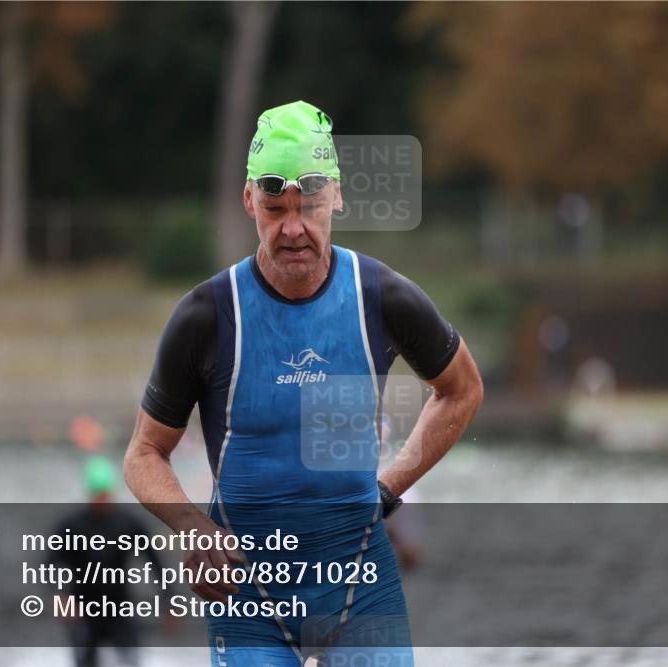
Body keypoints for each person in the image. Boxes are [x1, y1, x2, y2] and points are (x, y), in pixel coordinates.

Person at [124, 100, 484, 666]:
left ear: (336, 196)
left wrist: (389, 487)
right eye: (275, 209)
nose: (293, 229)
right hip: (248, 595)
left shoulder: (383, 298)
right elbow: (144, 452)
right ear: (249, 200)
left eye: (310, 207)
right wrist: (192, 526)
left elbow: (462, 390)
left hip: (361, 587)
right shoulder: (207, 315)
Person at [51, 456, 167, 667]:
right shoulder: (71, 526)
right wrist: (60, 597)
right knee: (85, 661)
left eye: (106, 494)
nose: (102, 500)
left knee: (130, 660)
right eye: (98, 495)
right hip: (83, 609)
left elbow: (155, 563)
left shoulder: (128, 524)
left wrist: (169, 601)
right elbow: (50, 565)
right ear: (89, 494)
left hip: (119, 608)